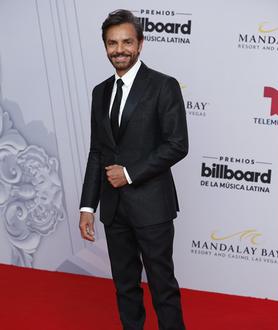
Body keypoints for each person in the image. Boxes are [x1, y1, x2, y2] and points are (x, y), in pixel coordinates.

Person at [78, 9, 188, 330]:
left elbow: (177, 144)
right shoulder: (100, 92)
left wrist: (128, 173)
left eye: (127, 42)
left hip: (152, 206)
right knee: (125, 286)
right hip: (114, 210)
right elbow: (97, 152)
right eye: (112, 43)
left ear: (140, 44)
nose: (120, 49)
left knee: (162, 286)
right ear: (105, 47)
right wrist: (87, 206)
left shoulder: (163, 86)